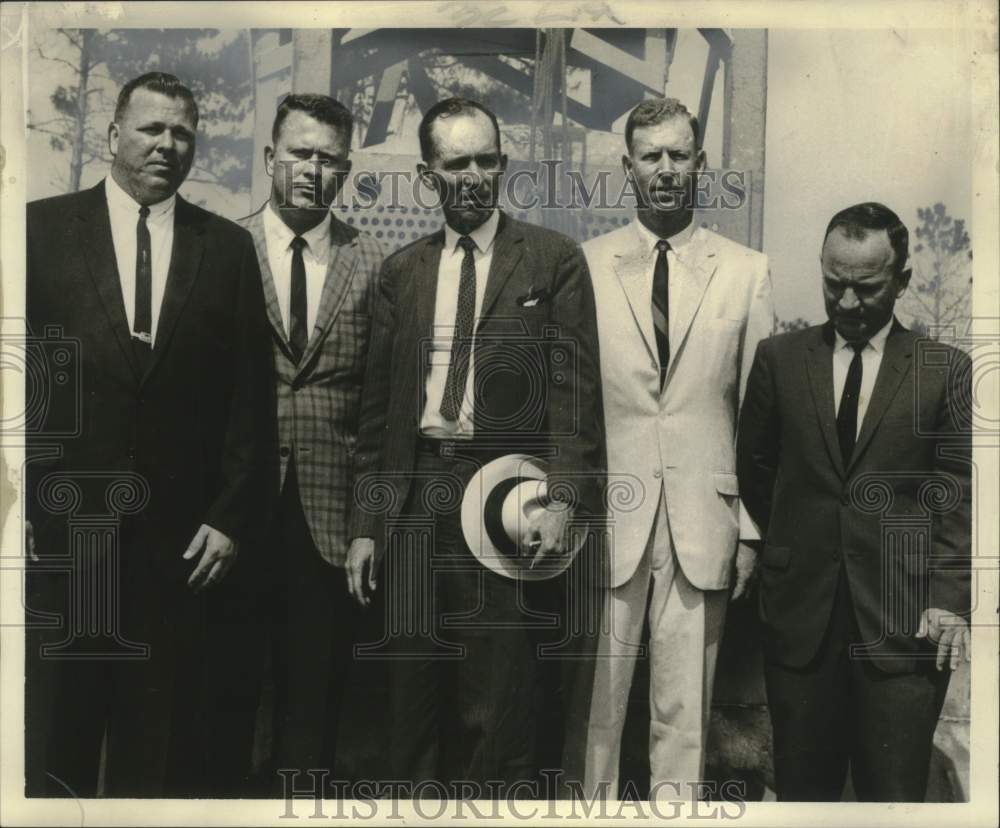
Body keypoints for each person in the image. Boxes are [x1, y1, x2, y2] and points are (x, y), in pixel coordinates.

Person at [25, 72, 275, 797]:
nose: (168, 145)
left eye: (183, 133)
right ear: (112, 135)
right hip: (67, 538)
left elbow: (249, 405)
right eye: (151, 128)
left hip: (179, 552)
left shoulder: (224, 250)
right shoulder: (38, 231)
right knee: (56, 737)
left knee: (155, 750)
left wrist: (228, 519)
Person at [345, 97, 605, 790]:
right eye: (456, 163)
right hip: (412, 505)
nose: (473, 176)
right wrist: (369, 527)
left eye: (486, 160)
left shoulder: (552, 261)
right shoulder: (401, 273)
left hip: (502, 500)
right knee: (409, 700)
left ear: (504, 165)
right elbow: (378, 417)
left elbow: (577, 403)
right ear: (429, 175)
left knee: (497, 705)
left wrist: (562, 501)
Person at [737, 202, 971, 801]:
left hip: (902, 625)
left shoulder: (943, 371)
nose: (845, 302)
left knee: (892, 798)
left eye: (865, 288)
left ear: (902, 280)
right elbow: (756, 470)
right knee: (801, 796)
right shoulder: (778, 361)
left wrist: (946, 599)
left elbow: (957, 497)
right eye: (832, 282)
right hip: (801, 621)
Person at [576, 97, 773, 799]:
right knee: (594, 712)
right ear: (627, 166)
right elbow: (576, 407)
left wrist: (749, 530)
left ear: (700, 163)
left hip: (703, 520)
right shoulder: (588, 266)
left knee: (686, 716)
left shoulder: (746, 271)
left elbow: (760, 418)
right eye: (650, 156)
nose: (665, 169)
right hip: (608, 519)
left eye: (678, 154)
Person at [238, 93, 383, 786]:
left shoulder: (371, 265)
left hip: (329, 522)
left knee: (311, 707)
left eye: (328, 158)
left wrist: (368, 526)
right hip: (234, 514)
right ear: (270, 157)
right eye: (299, 152)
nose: (311, 169)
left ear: (345, 170)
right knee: (226, 697)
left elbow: (380, 409)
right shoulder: (223, 248)